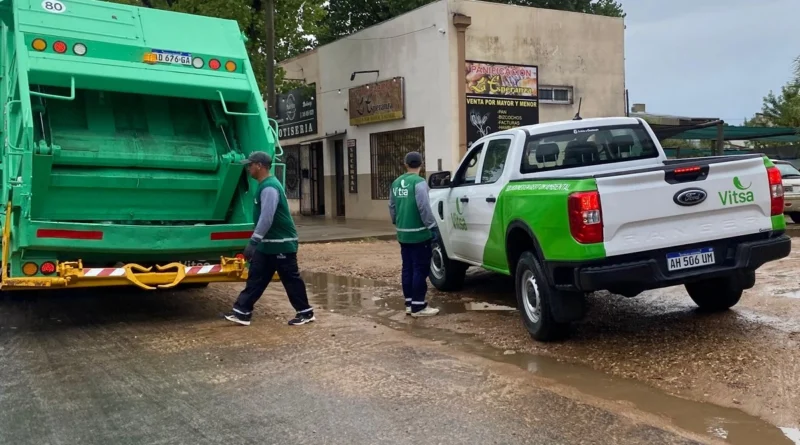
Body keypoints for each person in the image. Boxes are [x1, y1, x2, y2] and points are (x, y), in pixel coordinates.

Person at [223, 151, 315, 327]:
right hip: (268, 245)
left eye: (250, 164)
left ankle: (305, 312)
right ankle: (242, 312)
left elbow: (267, 217)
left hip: (281, 243)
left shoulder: (269, 187)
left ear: (259, 166)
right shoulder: (264, 185)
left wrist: (254, 241)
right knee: (256, 278)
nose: (248, 168)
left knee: (290, 279)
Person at [388, 151, 440, 317]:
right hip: (419, 234)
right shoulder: (419, 182)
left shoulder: (396, 183)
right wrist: (432, 226)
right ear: (421, 164)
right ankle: (419, 306)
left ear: (405, 164)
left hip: (403, 234)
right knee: (420, 268)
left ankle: (410, 303)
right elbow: (424, 207)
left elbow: (391, 206)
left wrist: (397, 221)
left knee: (407, 268)